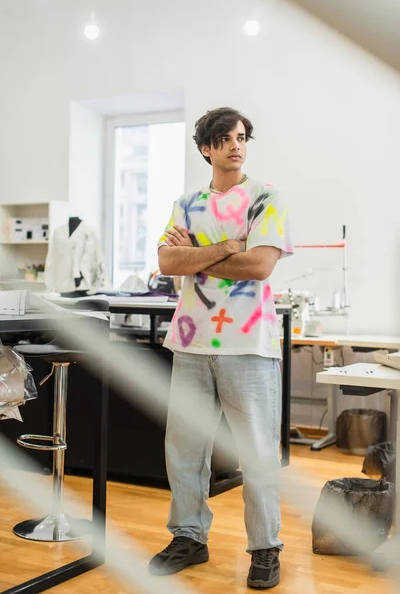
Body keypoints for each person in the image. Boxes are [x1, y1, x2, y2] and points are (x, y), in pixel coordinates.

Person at [149, 107, 293, 589]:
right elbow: (169, 260)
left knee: (256, 453)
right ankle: (188, 537)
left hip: (248, 343)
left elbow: (259, 267)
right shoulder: (185, 202)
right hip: (190, 341)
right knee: (185, 451)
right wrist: (225, 247)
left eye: (242, 137)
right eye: (225, 138)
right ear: (206, 148)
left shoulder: (266, 197)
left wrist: (198, 256)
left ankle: (265, 547)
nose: (236, 145)